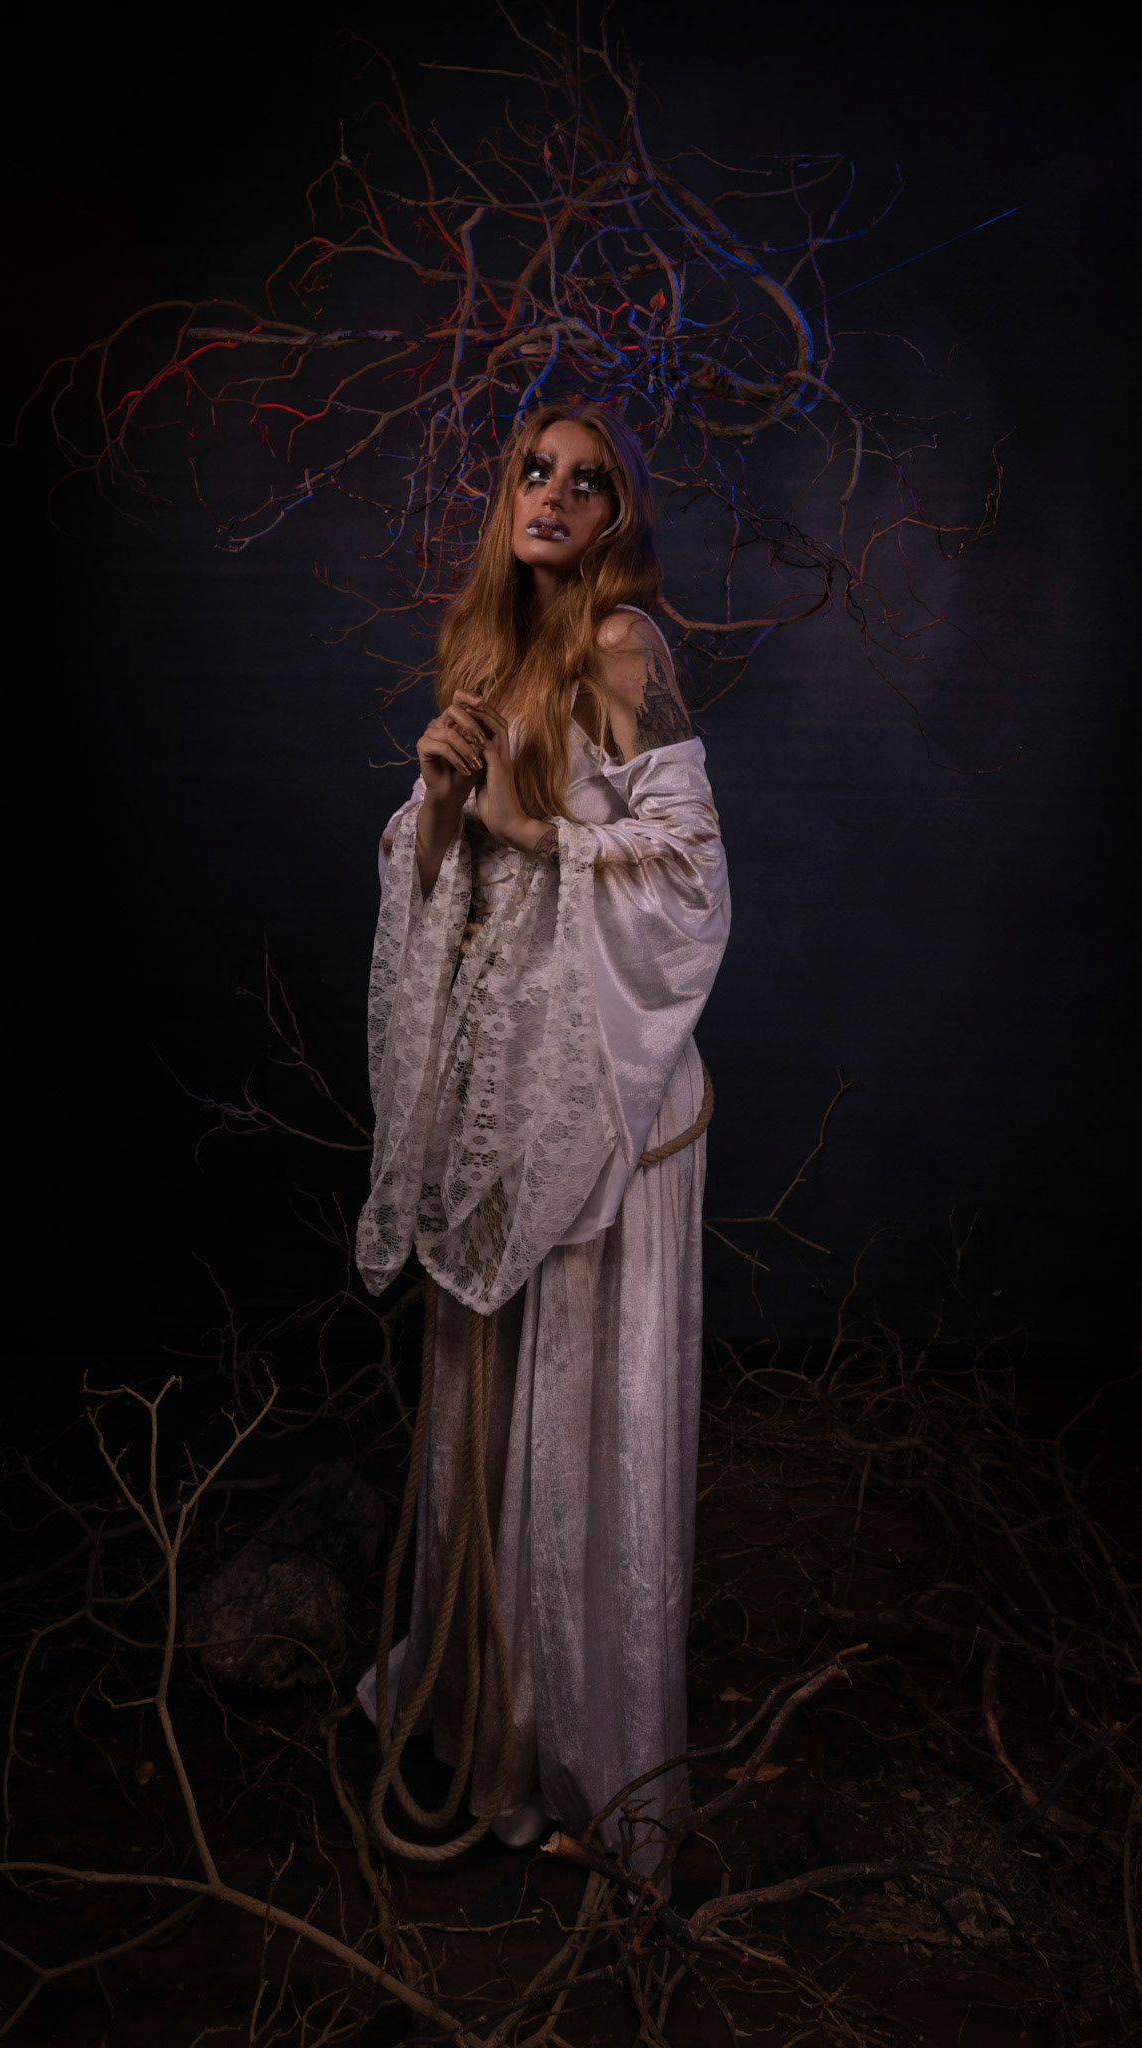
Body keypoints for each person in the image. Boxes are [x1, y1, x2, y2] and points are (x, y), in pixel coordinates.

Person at [354, 400, 730, 1878]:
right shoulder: (482, 651)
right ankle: (478, 1699)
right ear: (506, 491)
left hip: (608, 1102)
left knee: (574, 1415)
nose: (554, 495)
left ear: (614, 516)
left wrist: (529, 834)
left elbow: (689, 875)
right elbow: (438, 882)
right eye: (534, 470)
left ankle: (579, 1742)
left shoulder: (623, 650)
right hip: (506, 1097)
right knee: (487, 1412)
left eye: (587, 482)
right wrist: (445, 809)